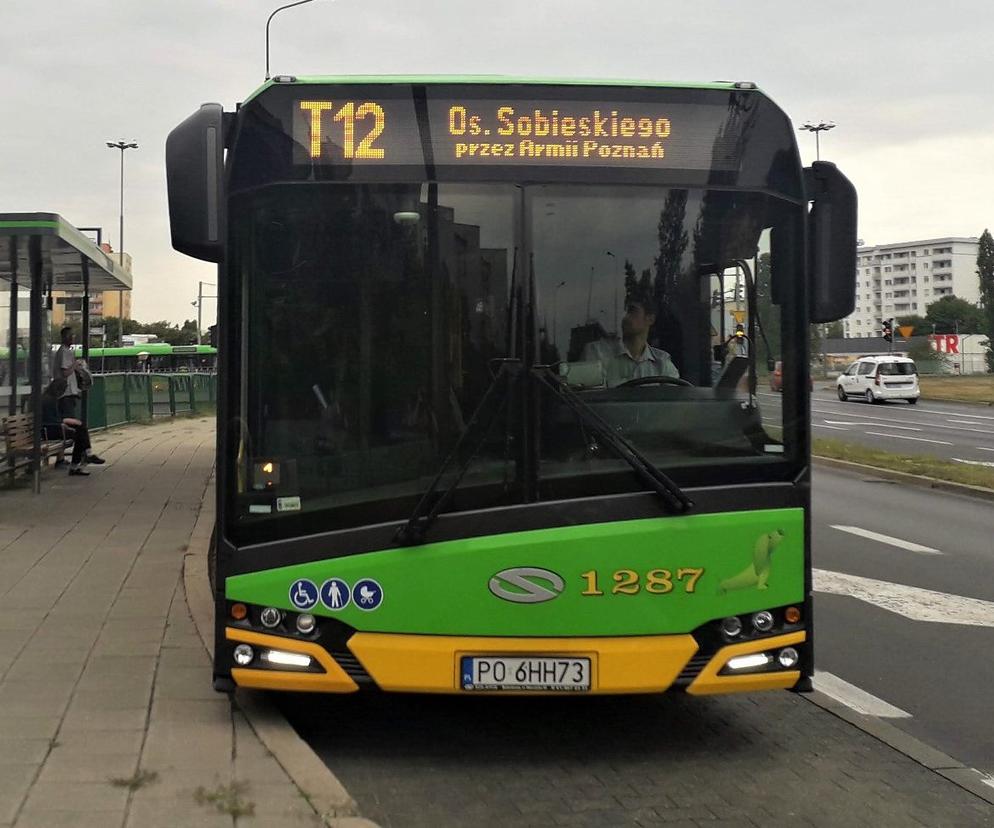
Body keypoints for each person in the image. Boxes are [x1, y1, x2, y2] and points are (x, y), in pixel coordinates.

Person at [582, 294, 680, 387]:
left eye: (632, 311)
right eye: (624, 312)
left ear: (650, 319)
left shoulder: (662, 363)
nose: (625, 317)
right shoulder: (598, 353)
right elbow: (590, 398)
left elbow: (674, 401)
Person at [41, 377, 105, 476]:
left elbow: (54, 417)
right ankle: (79, 462)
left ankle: (86, 455)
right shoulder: (49, 401)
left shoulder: (50, 398)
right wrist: (64, 422)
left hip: (53, 427)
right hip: (49, 430)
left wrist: (65, 421)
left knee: (81, 428)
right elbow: (49, 420)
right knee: (79, 434)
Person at [51, 326, 81, 422]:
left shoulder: (67, 351)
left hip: (67, 393)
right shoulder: (64, 351)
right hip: (65, 393)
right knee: (69, 419)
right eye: (72, 335)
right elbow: (65, 372)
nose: (74, 337)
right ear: (66, 337)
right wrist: (75, 364)